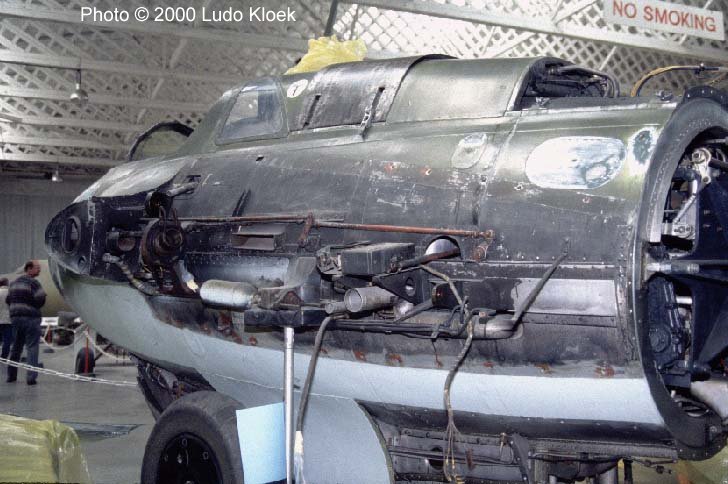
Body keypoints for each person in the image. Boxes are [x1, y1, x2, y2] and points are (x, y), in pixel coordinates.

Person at [6, 260, 46, 385]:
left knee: (16, 347)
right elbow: (41, 298)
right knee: (32, 347)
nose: (39, 270)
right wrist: (32, 306)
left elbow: (8, 299)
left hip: (16, 318)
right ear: (29, 269)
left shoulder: (13, 283)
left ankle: (11, 375)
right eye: (37, 268)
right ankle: (31, 377)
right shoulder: (34, 283)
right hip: (30, 318)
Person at [0, 278, 11, 360]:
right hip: (8, 319)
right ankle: (4, 356)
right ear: (7, 283)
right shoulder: (10, 293)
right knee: (7, 339)